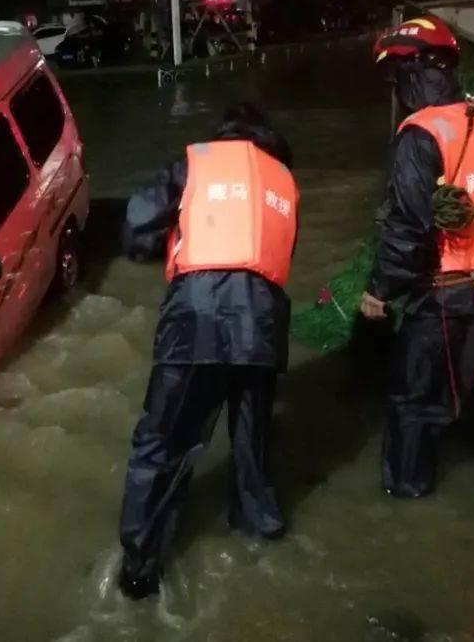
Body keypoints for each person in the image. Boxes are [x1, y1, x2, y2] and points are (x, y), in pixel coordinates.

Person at [116, 103, 298, 600]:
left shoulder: (195, 163)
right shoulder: (282, 181)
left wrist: (172, 241)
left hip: (195, 317)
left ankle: (139, 571)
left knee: (160, 445)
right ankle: (259, 531)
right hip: (263, 323)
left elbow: (134, 230)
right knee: (252, 438)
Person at [361, 15, 474, 501]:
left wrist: (378, 291)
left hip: (449, 293)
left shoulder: (418, 135)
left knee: (415, 403)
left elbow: (408, 230)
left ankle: (407, 496)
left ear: (410, 73)